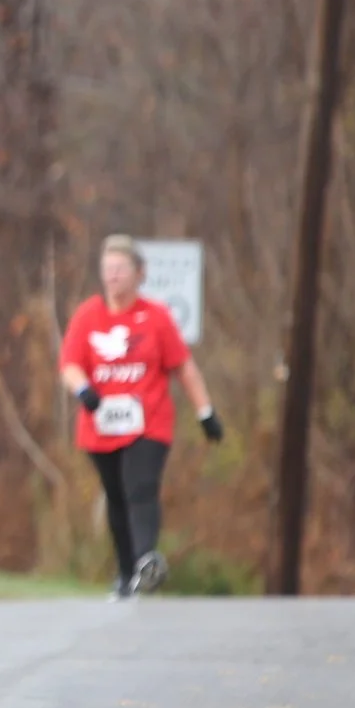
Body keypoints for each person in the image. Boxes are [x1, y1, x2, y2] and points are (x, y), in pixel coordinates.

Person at [60, 233, 222, 599]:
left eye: (120, 269)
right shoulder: (88, 316)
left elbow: (185, 369)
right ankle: (126, 573)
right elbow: (69, 364)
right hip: (100, 426)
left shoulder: (157, 318)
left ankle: (146, 559)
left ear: (139, 274)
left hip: (148, 423)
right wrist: (83, 390)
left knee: (141, 487)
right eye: (108, 269)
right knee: (116, 496)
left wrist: (205, 413)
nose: (113, 276)